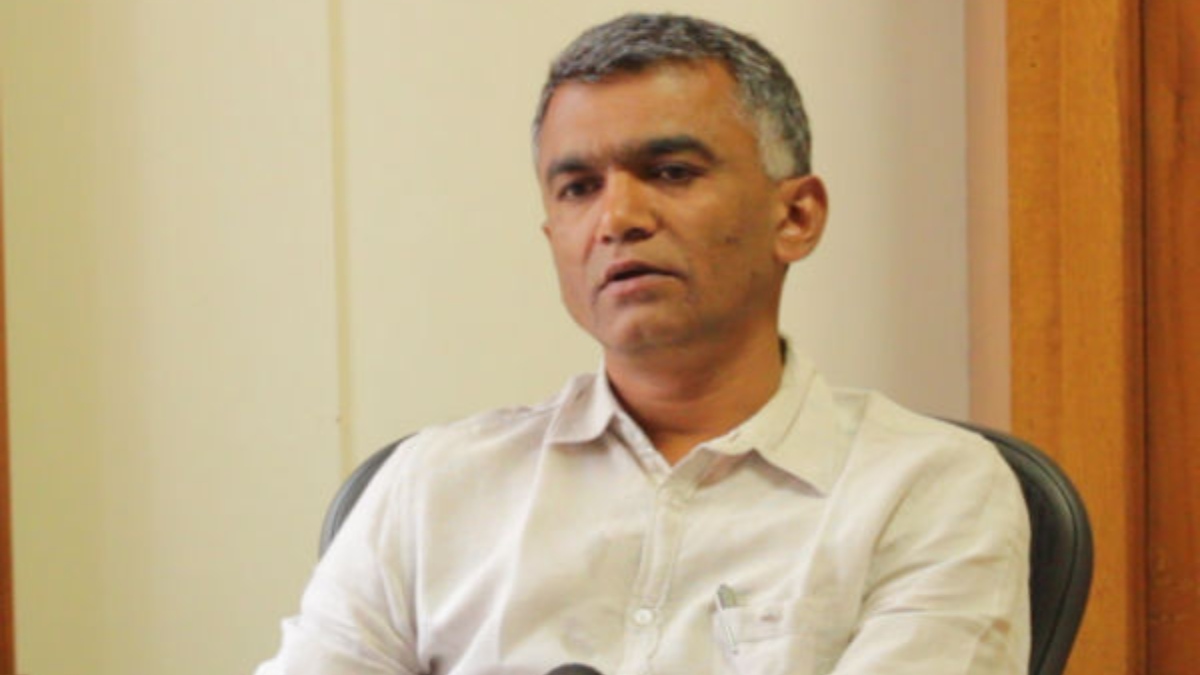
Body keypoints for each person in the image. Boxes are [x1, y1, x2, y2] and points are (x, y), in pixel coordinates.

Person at [257, 13, 1029, 675]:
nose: (617, 218)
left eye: (670, 171)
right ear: (553, 238)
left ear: (795, 217)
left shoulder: (931, 489)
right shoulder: (435, 486)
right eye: (578, 188)